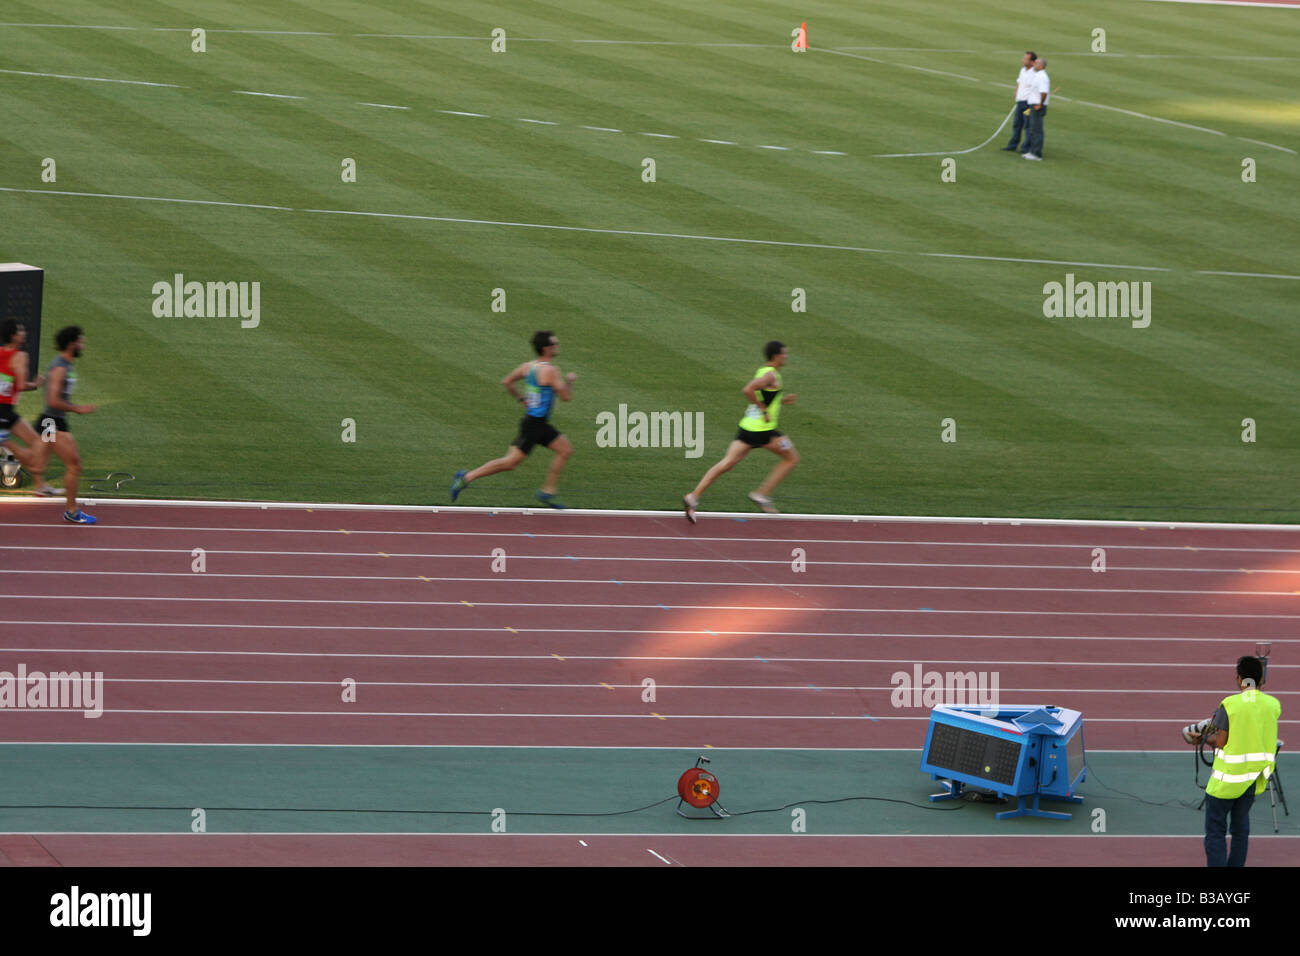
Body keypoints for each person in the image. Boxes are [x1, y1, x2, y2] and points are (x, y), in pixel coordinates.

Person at [451, 330, 576, 509]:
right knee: (509, 463)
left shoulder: (528, 366)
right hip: (533, 426)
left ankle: (547, 492)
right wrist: (570, 381)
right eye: (554, 344)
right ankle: (465, 478)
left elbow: (507, 382)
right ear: (546, 348)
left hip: (537, 423)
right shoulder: (550, 371)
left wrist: (522, 400)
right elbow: (565, 397)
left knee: (565, 450)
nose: (557, 347)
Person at [683, 341, 798, 523]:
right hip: (763, 432)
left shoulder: (764, 371)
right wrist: (764, 410)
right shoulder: (770, 375)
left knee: (727, 463)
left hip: (747, 428)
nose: (787, 356)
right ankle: (762, 494)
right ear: (776, 356)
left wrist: (782, 401)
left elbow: (766, 396)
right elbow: (748, 389)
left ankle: (693, 496)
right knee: (791, 457)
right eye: (785, 353)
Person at [1188, 656, 1281, 867]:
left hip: (1225, 782)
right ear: (1262, 680)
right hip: (1253, 779)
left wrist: (1201, 739)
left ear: (1239, 679)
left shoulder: (1230, 705)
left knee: (1216, 832)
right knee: (1241, 830)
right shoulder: (1273, 705)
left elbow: (1221, 741)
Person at [31, 326, 98, 524]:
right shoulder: (61, 367)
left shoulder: (65, 365)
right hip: (52, 421)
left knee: (38, 463)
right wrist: (78, 408)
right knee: (74, 465)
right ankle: (71, 511)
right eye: (80, 341)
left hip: (52, 420)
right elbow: (53, 400)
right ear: (71, 344)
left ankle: (41, 486)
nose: (83, 345)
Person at [0, 318, 61, 501]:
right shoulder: (19, 356)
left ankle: (40, 486)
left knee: (36, 443)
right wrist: (36, 383)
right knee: (32, 447)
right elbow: (20, 385)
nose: (24, 333)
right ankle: (37, 479)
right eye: (20, 331)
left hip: (6, 411)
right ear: (13, 336)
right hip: (4, 410)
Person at [1001, 51, 1037, 153]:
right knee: (1017, 124)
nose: (1023, 60)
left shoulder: (1035, 74)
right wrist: (1016, 91)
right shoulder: (1023, 70)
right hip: (1020, 102)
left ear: (1032, 62)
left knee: (1028, 126)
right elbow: (1019, 82)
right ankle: (1013, 145)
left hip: (1028, 104)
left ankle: (1026, 148)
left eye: (1025, 59)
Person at [1022, 57, 1050, 161]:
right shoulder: (1038, 75)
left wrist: (1040, 104)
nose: (1034, 64)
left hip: (1037, 106)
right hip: (1034, 105)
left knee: (1037, 130)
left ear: (1042, 66)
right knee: (1032, 129)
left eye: (1037, 63)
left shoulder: (1042, 77)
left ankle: (1037, 154)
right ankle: (1033, 151)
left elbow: (1044, 92)